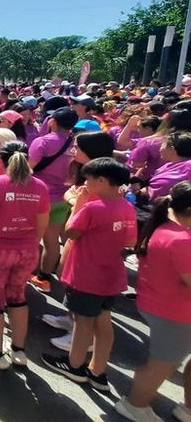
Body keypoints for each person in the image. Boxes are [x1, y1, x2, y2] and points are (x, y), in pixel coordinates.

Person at [42, 158, 136, 391]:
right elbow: (130, 240)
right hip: (111, 274)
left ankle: (74, 366)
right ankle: (98, 370)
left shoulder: (93, 208)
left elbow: (71, 232)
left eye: (89, 179)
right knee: (103, 322)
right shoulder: (126, 206)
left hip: (86, 274)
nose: (85, 183)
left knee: (82, 322)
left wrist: (80, 204)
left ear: (101, 181)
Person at [0, 141, 50, 369]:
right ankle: (18, 350)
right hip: (27, 249)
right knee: (17, 296)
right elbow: (42, 225)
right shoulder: (40, 186)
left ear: (2, 160)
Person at [115, 181, 191, 422]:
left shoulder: (166, 227)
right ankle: (135, 405)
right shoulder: (181, 240)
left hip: (161, 303)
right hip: (174, 312)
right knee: (162, 364)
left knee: (165, 360)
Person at [28, 107, 79, 293]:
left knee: (30, 238)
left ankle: (26, 272)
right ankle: (44, 278)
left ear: (52, 121)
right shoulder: (76, 145)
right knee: (52, 240)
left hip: (38, 197)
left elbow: (28, 168)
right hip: (63, 198)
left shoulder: (43, 142)